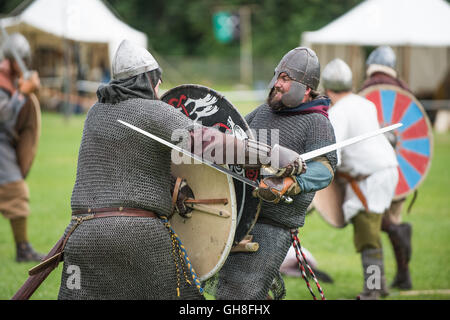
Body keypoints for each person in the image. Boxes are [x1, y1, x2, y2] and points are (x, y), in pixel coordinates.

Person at [56, 40, 306, 300]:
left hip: (82, 236)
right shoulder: (154, 112)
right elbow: (209, 143)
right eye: (157, 82)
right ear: (147, 80)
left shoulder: (95, 113)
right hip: (138, 237)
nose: (158, 89)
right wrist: (270, 155)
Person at [208, 47, 337, 300]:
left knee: (241, 295)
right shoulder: (262, 112)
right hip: (238, 217)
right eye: (278, 76)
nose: (276, 84)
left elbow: (325, 169)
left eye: (286, 79)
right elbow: (232, 138)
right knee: (236, 292)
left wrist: (290, 183)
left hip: (272, 225)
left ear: (306, 88)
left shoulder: (316, 122)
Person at [322, 58, 399, 299]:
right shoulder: (365, 104)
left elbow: (334, 153)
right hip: (387, 170)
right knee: (371, 229)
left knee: (368, 234)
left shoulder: (338, 112)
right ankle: (380, 285)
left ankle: (374, 289)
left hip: (370, 178)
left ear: (327, 89)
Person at [360, 46, 413, 290]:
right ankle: (403, 274)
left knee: (371, 225)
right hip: (400, 168)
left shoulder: (364, 91)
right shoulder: (404, 89)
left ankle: (374, 284)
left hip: (372, 172)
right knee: (393, 217)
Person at [0, 33, 43, 262]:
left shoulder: (11, 78)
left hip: (5, 144)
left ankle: (22, 248)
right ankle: (23, 249)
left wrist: (29, 89)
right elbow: (3, 115)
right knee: (16, 192)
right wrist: (21, 94)